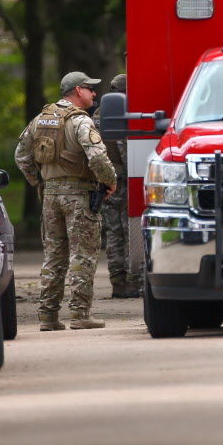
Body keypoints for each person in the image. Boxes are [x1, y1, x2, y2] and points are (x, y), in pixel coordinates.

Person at [15, 72, 118, 330]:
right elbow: (97, 158)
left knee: (53, 255)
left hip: (50, 196)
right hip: (79, 196)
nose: (94, 94)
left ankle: (48, 317)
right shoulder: (80, 122)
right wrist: (110, 181)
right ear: (77, 91)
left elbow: (21, 156)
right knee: (82, 254)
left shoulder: (40, 119)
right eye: (90, 89)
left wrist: (39, 183)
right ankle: (80, 314)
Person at [95, 74, 142, 298]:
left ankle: (118, 282)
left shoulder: (97, 117)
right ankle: (131, 283)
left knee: (114, 232)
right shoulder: (123, 115)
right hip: (123, 181)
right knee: (129, 231)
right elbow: (125, 153)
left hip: (106, 181)